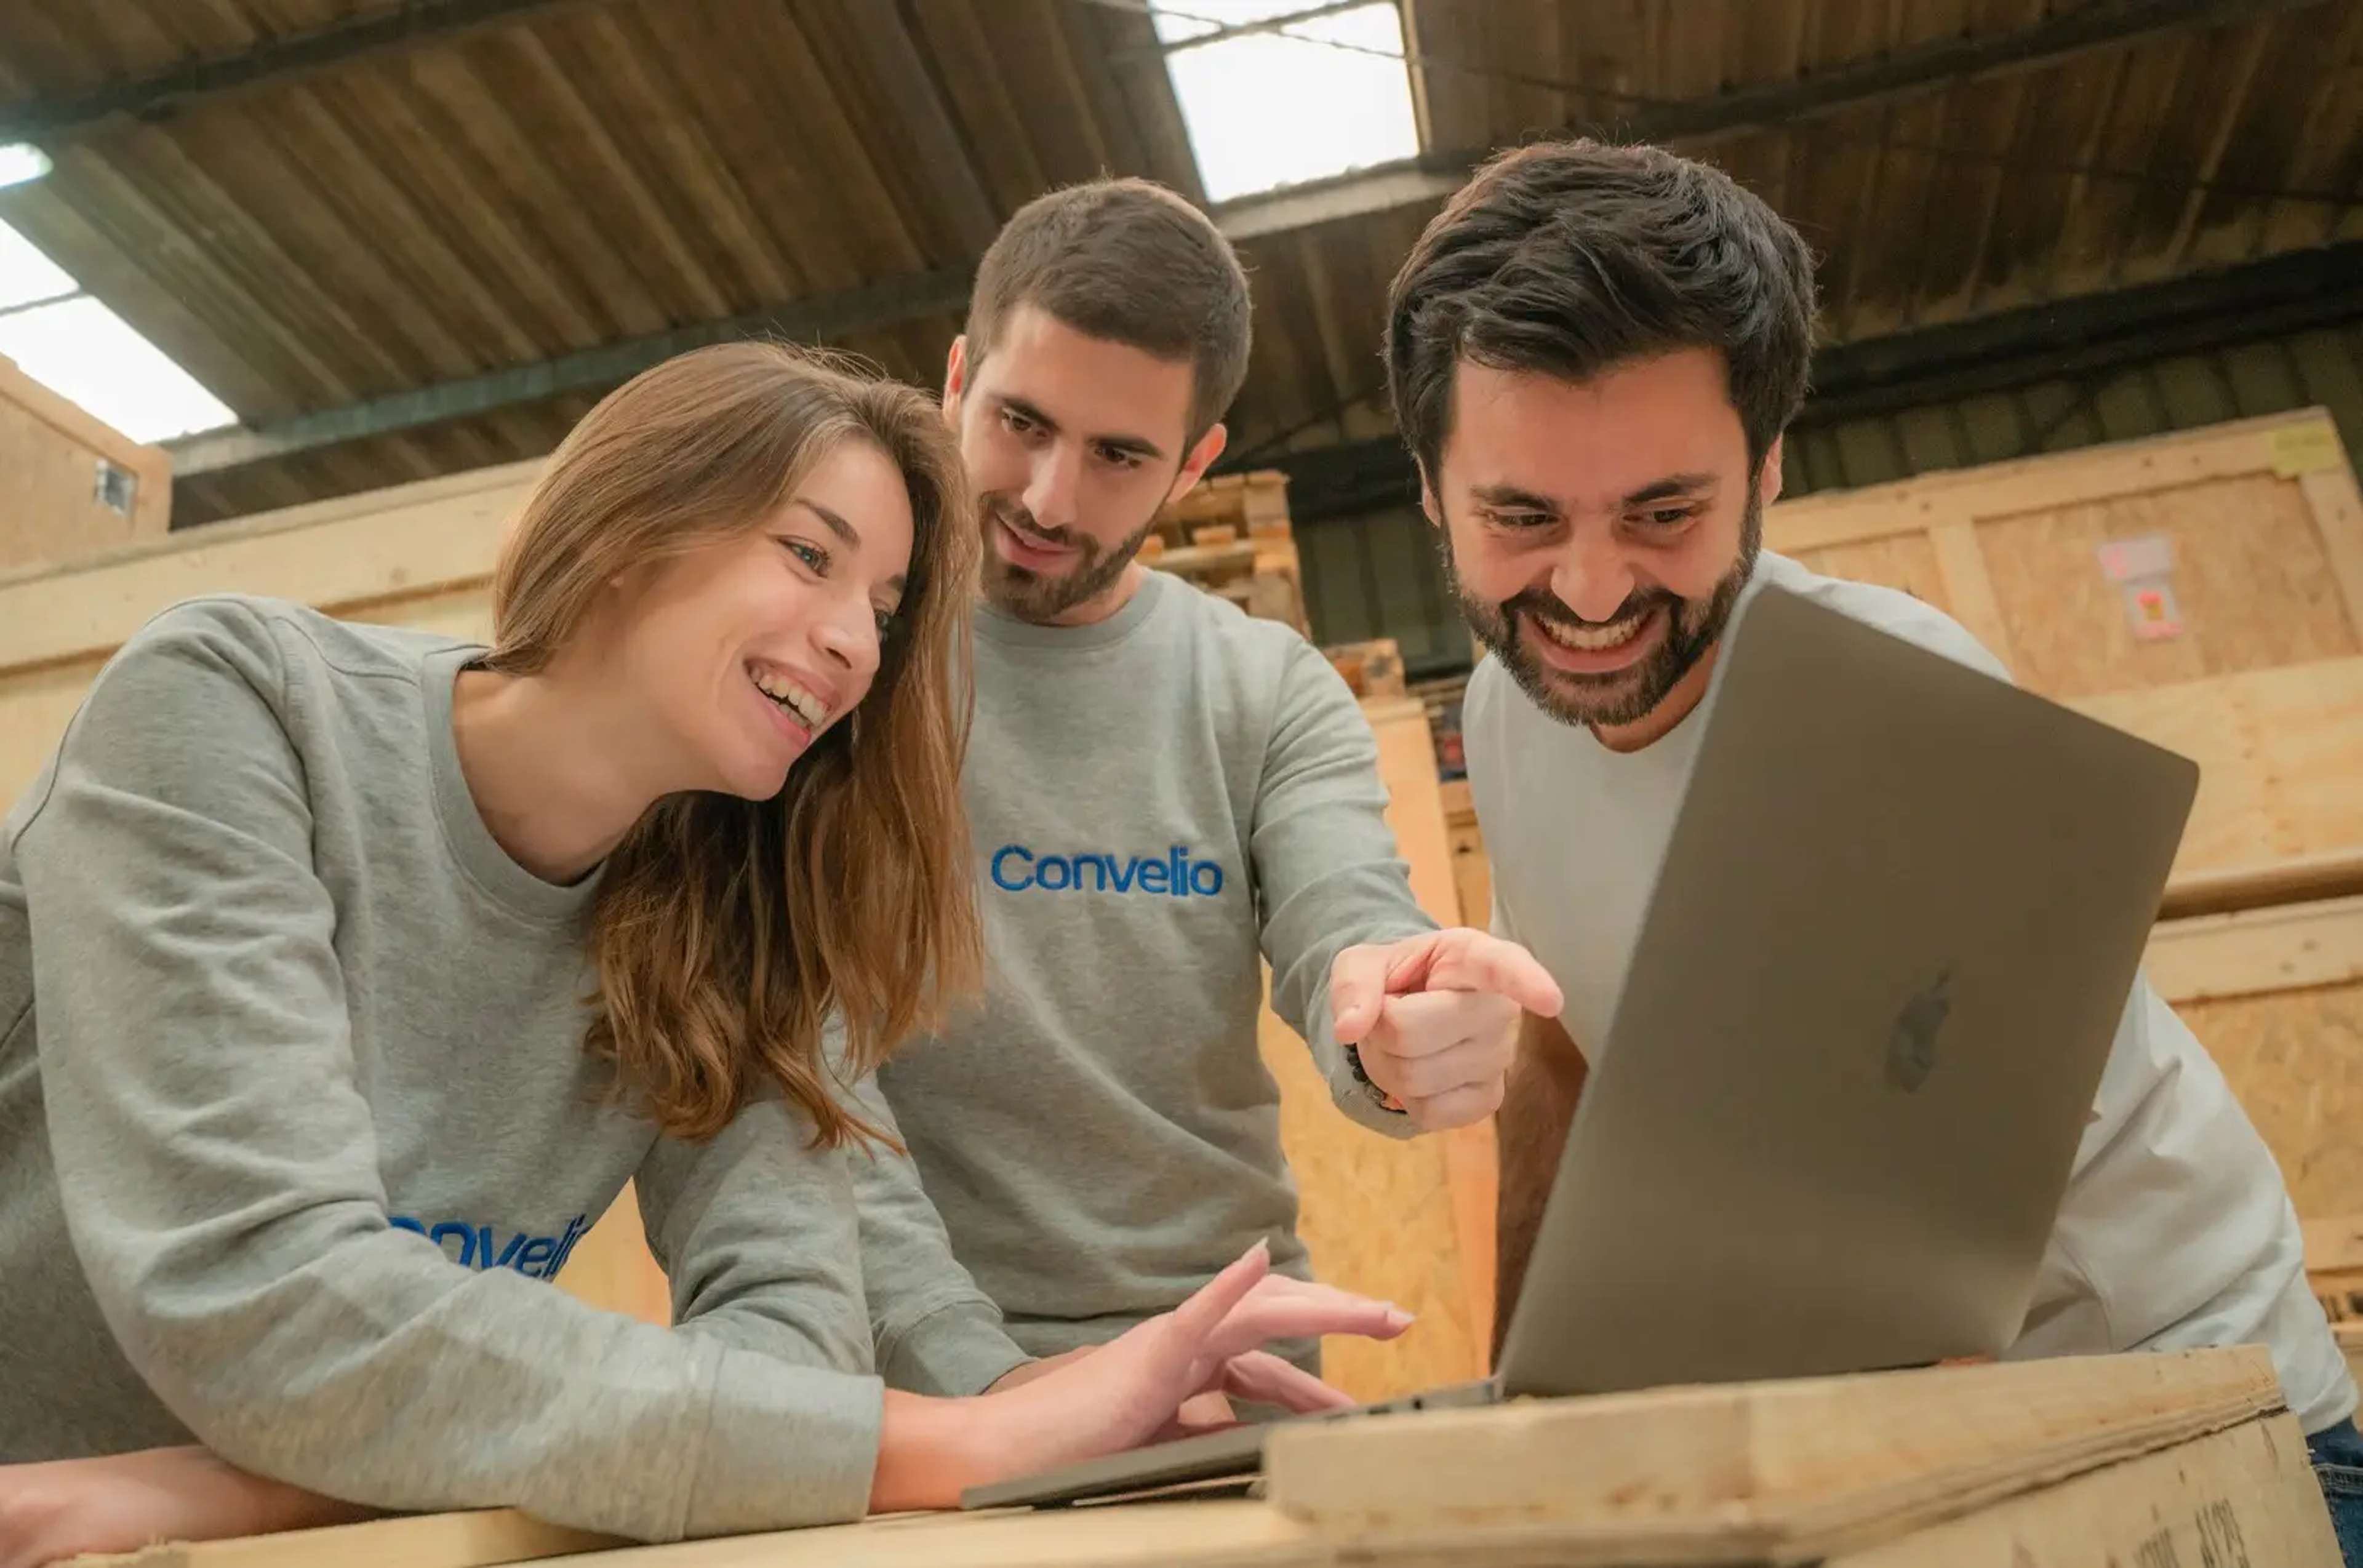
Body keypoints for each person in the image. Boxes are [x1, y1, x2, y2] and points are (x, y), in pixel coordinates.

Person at [0, 342, 1407, 1564]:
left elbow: (794, 1353)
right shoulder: (233, 710)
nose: (856, 641)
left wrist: (237, 1484)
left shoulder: (733, 909)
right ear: (629, 525)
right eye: (809, 554)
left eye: (888, 604)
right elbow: (268, 1301)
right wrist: (966, 1435)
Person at [1380, 136, 2363, 1558]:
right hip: (1920, 1419)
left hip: (2195, 1424)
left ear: (1768, 465)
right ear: (1429, 485)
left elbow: (1902, 1293)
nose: (1588, 593)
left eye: (1665, 512)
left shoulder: (1901, 707)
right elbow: (1565, 1057)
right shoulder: (1508, 706)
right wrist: (1524, 1408)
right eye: (1520, 517)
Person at [847, 177, 1564, 1383]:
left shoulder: (1266, 688)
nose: (1048, 499)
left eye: (1121, 453)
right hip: (916, 1375)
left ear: (1195, 464)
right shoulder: (838, 657)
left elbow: (1348, 923)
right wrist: (990, 1386)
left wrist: (1390, 1017)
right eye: (1021, 421)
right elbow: (791, 1071)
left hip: (1218, 1356)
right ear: (957, 380)